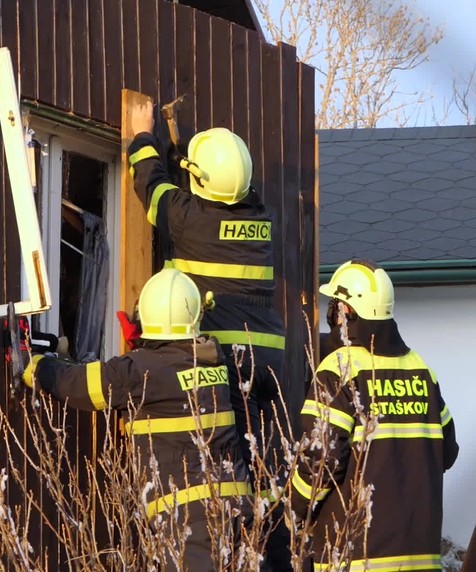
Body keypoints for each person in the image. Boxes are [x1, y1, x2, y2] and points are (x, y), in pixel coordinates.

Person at [128, 106, 292, 571]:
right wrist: (191, 159)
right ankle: (275, 555)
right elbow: (216, 196)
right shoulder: (261, 216)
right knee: (265, 469)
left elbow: (153, 188)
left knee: (233, 467)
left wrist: (144, 136)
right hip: (270, 361)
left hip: (230, 363)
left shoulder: (186, 219)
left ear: (199, 187)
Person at [22, 268, 253, 570]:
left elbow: (82, 385)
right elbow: (170, 380)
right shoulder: (214, 361)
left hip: (192, 517)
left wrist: (36, 366)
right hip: (237, 509)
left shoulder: (142, 370)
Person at [294, 259, 459, 571]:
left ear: (346, 312)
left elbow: (322, 462)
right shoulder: (421, 371)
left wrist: (294, 508)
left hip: (356, 558)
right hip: (420, 558)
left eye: (334, 306)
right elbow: (447, 453)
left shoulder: (340, 369)